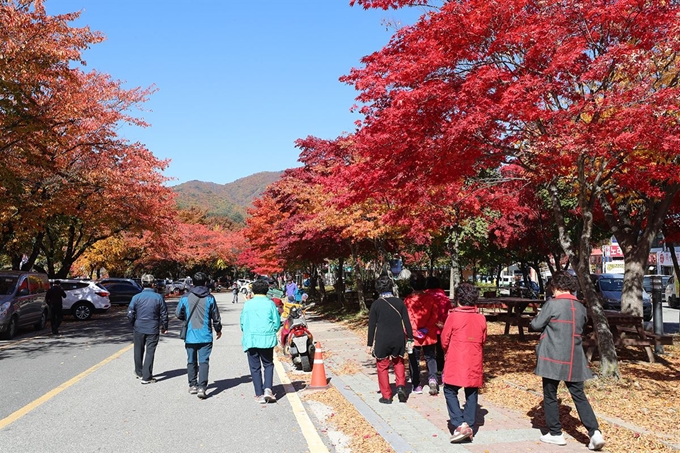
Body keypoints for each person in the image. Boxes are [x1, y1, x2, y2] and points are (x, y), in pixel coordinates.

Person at [529, 271, 605, 451]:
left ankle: (556, 434)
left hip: (552, 354)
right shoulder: (580, 307)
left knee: (550, 395)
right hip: (574, 356)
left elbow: (536, 325)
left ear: (555, 286)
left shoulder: (552, 304)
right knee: (579, 395)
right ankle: (594, 432)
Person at [441, 282, 487, 443]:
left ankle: (459, 423)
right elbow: (483, 339)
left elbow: (444, 340)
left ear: (458, 299)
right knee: (471, 392)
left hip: (456, 359)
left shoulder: (453, 317)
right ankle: (469, 423)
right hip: (474, 360)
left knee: (449, 390)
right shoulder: (480, 318)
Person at [366, 275, 414, 404]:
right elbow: (407, 322)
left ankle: (386, 396)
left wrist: (369, 343)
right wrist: (410, 338)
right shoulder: (399, 302)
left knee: (382, 366)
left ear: (378, 288)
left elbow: (372, 325)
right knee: (398, 362)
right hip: (398, 337)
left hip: (382, 339)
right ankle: (400, 386)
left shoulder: (376, 304)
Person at [176, 272, 222, 399]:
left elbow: (178, 313)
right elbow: (215, 317)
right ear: (205, 283)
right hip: (205, 335)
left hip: (190, 335)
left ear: (193, 283)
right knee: (204, 361)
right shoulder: (210, 298)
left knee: (191, 360)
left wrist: (186, 317)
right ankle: (202, 387)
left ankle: (193, 385)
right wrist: (218, 329)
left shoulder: (185, 297)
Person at [240, 279, 281, 404]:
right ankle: (268, 389)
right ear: (266, 290)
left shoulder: (248, 304)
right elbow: (276, 322)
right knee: (268, 364)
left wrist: (247, 331)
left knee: (255, 367)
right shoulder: (270, 304)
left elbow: (242, 322)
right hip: (266, 338)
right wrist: (272, 330)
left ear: (253, 291)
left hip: (251, 338)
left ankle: (259, 394)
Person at [127, 274, 168, 385]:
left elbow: (130, 313)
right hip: (153, 327)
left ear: (142, 284)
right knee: (150, 352)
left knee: (138, 350)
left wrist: (133, 324)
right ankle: (147, 376)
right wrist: (164, 326)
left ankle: (139, 372)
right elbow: (164, 313)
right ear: (153, 284)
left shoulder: (136, 297)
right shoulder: (159, 297)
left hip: (139, 326)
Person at [404, 272, 439, 395]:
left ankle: (416, 384)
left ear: (411, 285)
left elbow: (407, 318)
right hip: (429, 334)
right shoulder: (431, 299)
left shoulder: (408, 300)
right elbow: (434, 316)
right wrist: (426, 329)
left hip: (413, 336)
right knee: (431, 358)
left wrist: (414, 331)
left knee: (414, 359)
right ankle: (433, 379)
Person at [425, 276, 452, 376]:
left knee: (429, 351)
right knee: (441, 349)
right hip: (442, 328)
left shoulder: (425, 297)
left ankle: (431, 370)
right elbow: (449, 313)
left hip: (428, 328)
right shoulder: (444, 298)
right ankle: (440, 368)